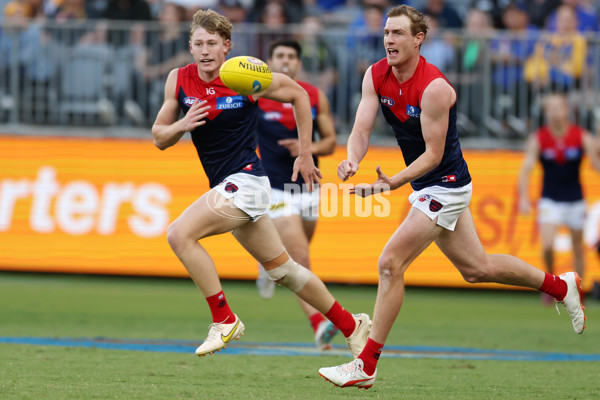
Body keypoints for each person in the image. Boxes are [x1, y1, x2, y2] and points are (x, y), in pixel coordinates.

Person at [317, 5, 587, 390]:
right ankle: (562, 287)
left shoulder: (435, 87)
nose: (389, 40)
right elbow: (361, 126)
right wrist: (350, 159)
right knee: (478, 269)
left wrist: (392, 183)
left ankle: (366, 363)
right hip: (427, 185)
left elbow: (432, 154)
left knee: (390, 264)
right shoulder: (375, 74)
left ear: (418, 39)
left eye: (397, 34)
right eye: (386, 33)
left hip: (445, 183)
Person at [151, 8, 370, 358]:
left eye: (212, 43)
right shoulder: (179, 79)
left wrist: (305, 154)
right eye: (198, 43)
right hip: (228, 186)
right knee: (287, 272)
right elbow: (159, 137)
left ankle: (224, 319)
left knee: (179, 234)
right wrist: (181, 125)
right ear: (190, 47)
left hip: (248, 182)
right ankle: (352, 326)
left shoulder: (243, 76)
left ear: (227, 46)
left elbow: (300, 95)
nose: (205, 50)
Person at [254, 40, 339, 350]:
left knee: (293, 260)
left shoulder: (313, 96)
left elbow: (329, 142)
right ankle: (320, 324)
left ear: (299, 63)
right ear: (270, 61)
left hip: (308, 188)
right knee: (300, 258)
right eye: (280, 56)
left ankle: (267, 264)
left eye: (291, 56)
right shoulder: (257, 94)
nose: (286, 60)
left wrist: (306, 149)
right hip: (274, 188)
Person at [518, 92, 600, 304]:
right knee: (546, 245)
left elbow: (595, 162)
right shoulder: (539, 138)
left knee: (577, 248)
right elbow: (526, 169)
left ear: (566, 110)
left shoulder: (581, 136)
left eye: (557, 108)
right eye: (550, 109)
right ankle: (552, 282)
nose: (554, 112)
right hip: (550, 199)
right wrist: (524, 198)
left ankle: (578, 290)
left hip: (575, 199)